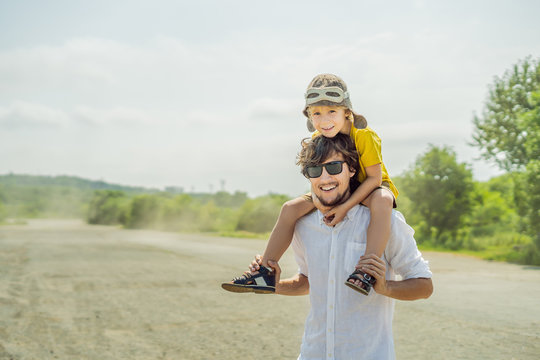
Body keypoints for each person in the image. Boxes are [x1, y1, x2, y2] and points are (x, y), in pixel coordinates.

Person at [251, 134, 433, 359]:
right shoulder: (302, 226)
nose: (325, 178)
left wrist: (386, 288)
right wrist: (275, 285)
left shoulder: (387, 222)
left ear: (352, 169)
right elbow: (307, 282)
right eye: (315, 171)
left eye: (334, 167)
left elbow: (425, 286)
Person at [222, 74, 398, 295]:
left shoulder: (363, 135)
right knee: (290, 208)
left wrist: (344, 207)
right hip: (336, 186)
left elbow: (374, 178)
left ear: (347, 111)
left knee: (383, 199)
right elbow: (316, 178)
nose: (324, 120)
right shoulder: (319, 137)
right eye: (316, 113)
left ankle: (366, 271)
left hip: (368, 187)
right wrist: (318, 201)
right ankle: (265, 272)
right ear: (308, 116)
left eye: (332, 111)